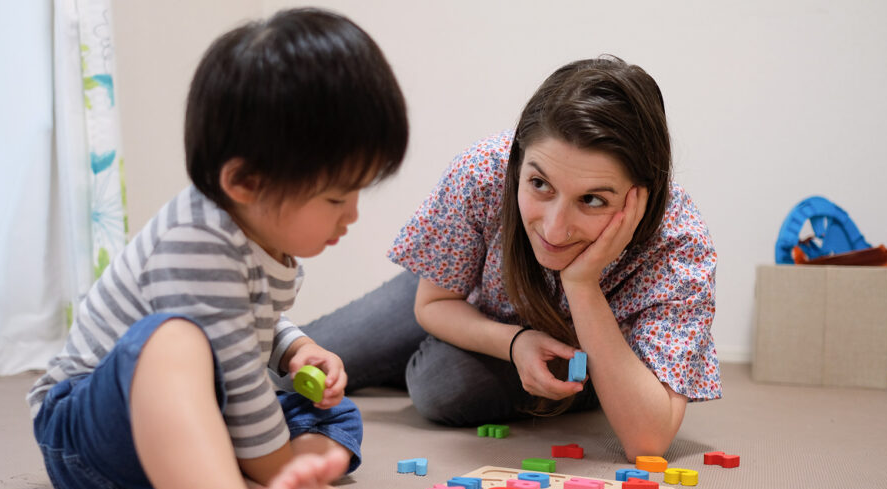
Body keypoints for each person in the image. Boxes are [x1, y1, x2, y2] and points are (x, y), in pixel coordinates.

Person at [26, 9, 408, 489]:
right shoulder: (196, 240)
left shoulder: (253, 230)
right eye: (335, 198)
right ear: (245, 182)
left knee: (336, 411)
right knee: (174, 340)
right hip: (92, 441)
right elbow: (235, 372)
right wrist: (279, 472)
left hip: (185, 425)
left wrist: (295, 348)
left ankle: (232, 478)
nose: (351, 215)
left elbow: (251, 322)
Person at [299, 56, 720, 463]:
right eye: (539, 184)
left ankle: (422, 359)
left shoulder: (680, 247)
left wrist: (581, 284)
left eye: (592, 200)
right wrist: (515, 342)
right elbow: (433, 303)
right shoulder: (484, 170)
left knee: (440, 383)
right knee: (293, 362)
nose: (554, 230)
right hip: (462, 293)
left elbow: (648, 439)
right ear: (517, 164)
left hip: (592, 351)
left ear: (641, 197)